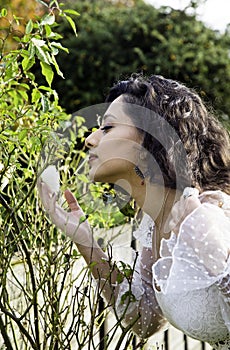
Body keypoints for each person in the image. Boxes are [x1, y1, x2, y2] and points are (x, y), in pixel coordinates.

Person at [38, 74, 230, 349]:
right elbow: (144, 319)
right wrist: (86, 242)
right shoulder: (152, 225)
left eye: (107, 127)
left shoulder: (205, 215)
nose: (90, 139)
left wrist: (200, 233)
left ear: (147, 144)